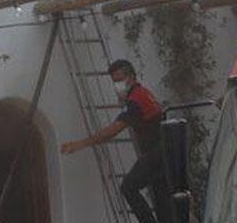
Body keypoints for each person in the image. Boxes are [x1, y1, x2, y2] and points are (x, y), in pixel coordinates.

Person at [61, 59, 171, 223]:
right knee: (162, 199)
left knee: (128, 187)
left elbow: (111, 132)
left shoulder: (136, 100)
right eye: (114, 82)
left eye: (119, 80)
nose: (117, 85)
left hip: (156, 151)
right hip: (163, 151)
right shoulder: (143, 93)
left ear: (131, 77)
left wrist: (79, 144)